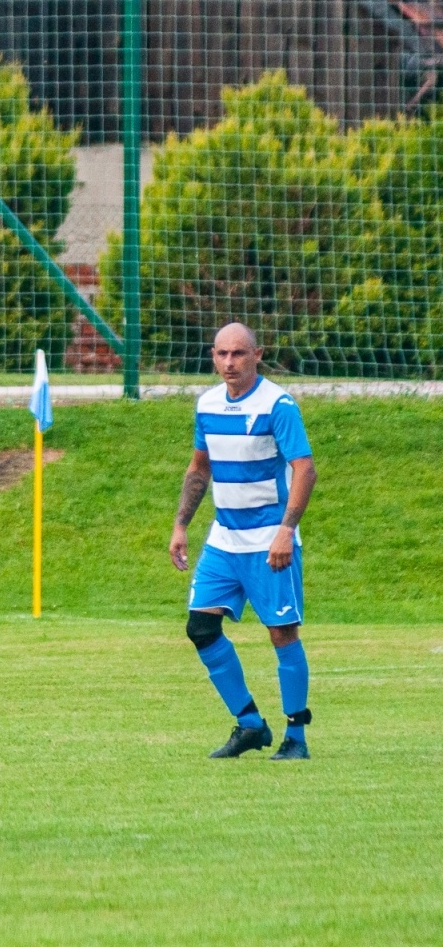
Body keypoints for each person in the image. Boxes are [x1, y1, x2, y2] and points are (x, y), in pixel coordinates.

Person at [169, 323, 317, 760]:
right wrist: (181, 525)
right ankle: (250, 724)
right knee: (200, 627)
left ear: (257, 354)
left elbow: (305, 470)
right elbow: (199, 469)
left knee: (281, 633)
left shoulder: (278, 405)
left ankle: (297, 738)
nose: (229, 363)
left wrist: (286, 531)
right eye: (221, 354)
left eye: (238, 354)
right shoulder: (208, 403)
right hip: (224, 540)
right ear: (212, 356)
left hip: (269, 539)